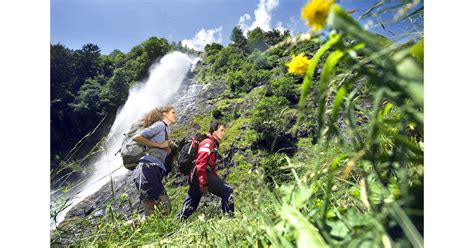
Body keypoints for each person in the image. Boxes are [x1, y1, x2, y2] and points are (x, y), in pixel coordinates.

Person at [176, 121, 234, 219]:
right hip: (199, 175)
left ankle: (175, 224)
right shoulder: (208, 142)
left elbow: (210, 167)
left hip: (194, 176)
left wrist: (215, 179)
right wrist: (203, 183)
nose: (223, 133)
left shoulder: (212, 144)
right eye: (221, 130)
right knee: (228, 191)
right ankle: (229, 221)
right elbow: (201, 163)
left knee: (189, 207)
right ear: (214, 131)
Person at [132, 106, 176, 217]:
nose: (175, 115)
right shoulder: (160, 125)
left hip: (152, 171)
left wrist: (166, 149)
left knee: (166, 207)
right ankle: (125, 230)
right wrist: (160, 145)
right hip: (147, 170)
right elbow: (137, 137)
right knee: (152, 212)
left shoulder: (164, 129)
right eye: (173, 112)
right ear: (164, 114)